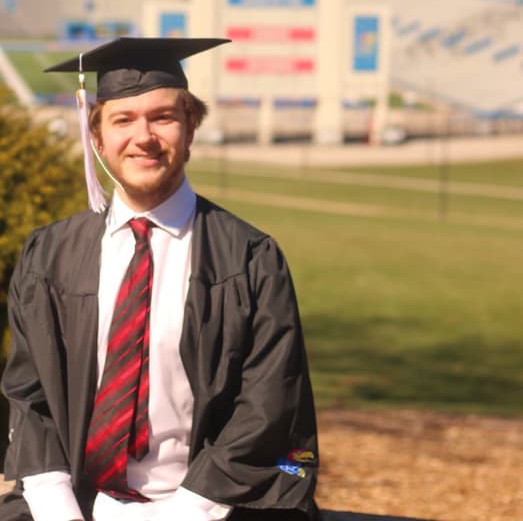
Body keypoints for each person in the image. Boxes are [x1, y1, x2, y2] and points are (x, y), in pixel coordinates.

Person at [0, 37, 319, 521]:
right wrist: (58, 507)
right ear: (97, 136)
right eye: (123, 120)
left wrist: (187, 512)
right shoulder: (50, 257)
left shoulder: (250, 259)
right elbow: (28, 394)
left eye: (163, 117)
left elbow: (271, 403)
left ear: (191, 127)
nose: (143, 136)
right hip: (78, 501)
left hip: (214, 505)